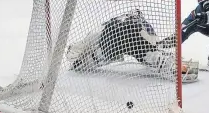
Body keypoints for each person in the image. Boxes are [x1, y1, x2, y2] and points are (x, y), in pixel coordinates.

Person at [65, 9, 198, 83]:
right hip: (112, 42)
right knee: (148, 53)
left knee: (147, 53)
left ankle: (169, 64)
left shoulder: (123, 26)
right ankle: (169, 65)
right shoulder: (121, 28)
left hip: (114, 41)